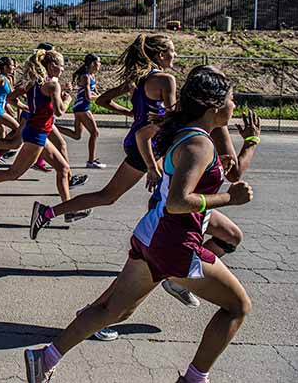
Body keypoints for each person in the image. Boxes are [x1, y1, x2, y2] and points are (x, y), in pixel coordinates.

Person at [22, 66, 253, 383]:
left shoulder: (191, 136)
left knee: (113, 310)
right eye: (231, 100)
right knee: (238, 307)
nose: (234, 106)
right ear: (214, 106)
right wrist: (229, 198)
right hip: (175, 244)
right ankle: (194, 379)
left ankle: (44, 357)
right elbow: (178, 201)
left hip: (151, 237)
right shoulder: (199, 145)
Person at [29, 34, 177, 236]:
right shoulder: (166, 80)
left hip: (139, 143)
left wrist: (130, 113)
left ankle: (156, 239)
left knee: (160, 194)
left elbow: (103, 100)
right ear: (161, 55)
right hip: (149, 145)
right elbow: (172, 117)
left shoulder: (136, 81)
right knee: (109, 196)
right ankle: (47, 212)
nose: (175, 54)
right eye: (172, 51)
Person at [0, 50, 73, 205]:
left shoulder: (34, 83)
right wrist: (68, 99)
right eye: (62, 65)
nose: (63, 69)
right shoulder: (53, 85)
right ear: (52, 66)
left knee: (63, 169)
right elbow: (59, 111)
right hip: (37, 134)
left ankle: (68, 209)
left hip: (37, 131)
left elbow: (11, 98)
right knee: (13, 173)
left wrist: (28, 108)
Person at [58, 54, 106, 169]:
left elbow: (93, 93)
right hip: (82, 108)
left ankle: (53, 128)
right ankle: (91, 161)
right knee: (94, 133)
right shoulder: (86, 77)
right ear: (92, 63)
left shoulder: (92, 76)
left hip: (80, 107)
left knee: (77, 135)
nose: (100, 64)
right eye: (98, 62)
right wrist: (101, 98)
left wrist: (100, 96)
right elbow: (89, 96)